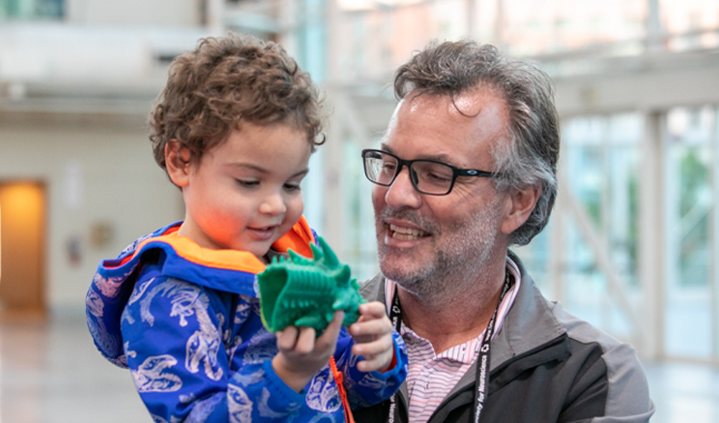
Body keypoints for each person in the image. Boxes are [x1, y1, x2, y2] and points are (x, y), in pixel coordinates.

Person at [85, 33, 407, 423]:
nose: (275, 205)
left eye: (292, 184)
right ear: (181, 162)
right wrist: (288, 375)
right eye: (249, 183)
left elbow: (342, 386)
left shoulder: (290, 259)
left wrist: (373, 356)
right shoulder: (166, 298)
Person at [353, 40, 655, 423]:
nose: (395, 194)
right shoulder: (317, 334)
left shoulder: (591, 373)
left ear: (518, 202)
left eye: (436, 175)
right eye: (388, 164)